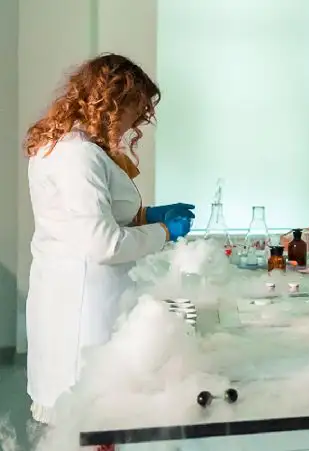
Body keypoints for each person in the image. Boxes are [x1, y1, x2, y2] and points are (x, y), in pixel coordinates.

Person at [23, 53, 195, 424]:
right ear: (114, 102)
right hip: (84, 306)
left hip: (80, 295)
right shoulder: (76, 154)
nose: (140, 120)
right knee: (89, 419)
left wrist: (148, 215)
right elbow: (103, 242)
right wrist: (164, 232)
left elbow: (93, 214)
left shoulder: (77, 146)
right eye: (137, 107)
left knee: (93, 420)